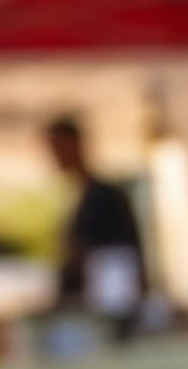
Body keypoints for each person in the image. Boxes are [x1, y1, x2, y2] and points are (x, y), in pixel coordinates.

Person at [41, 112, 150, 327]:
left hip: (109, 309)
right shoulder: (83, 198)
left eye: (57, 148)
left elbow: (118, 261)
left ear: (73, 145)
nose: (54, 156)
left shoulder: (104, 197)